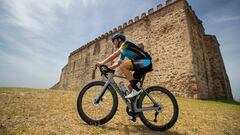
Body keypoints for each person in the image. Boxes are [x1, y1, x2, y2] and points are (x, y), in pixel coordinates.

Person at [95, 33, 152, 99]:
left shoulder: (126, 44)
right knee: (130, 87)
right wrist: (108, 68)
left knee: (123, 66)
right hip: (141, 67)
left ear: (119, 39)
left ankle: (136, 90)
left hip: (145, 62)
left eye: (114, 41)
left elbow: (115, 54)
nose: (113, 43)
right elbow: (118, 63)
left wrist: (102, 62)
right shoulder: (123, 51)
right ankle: (135, 106)